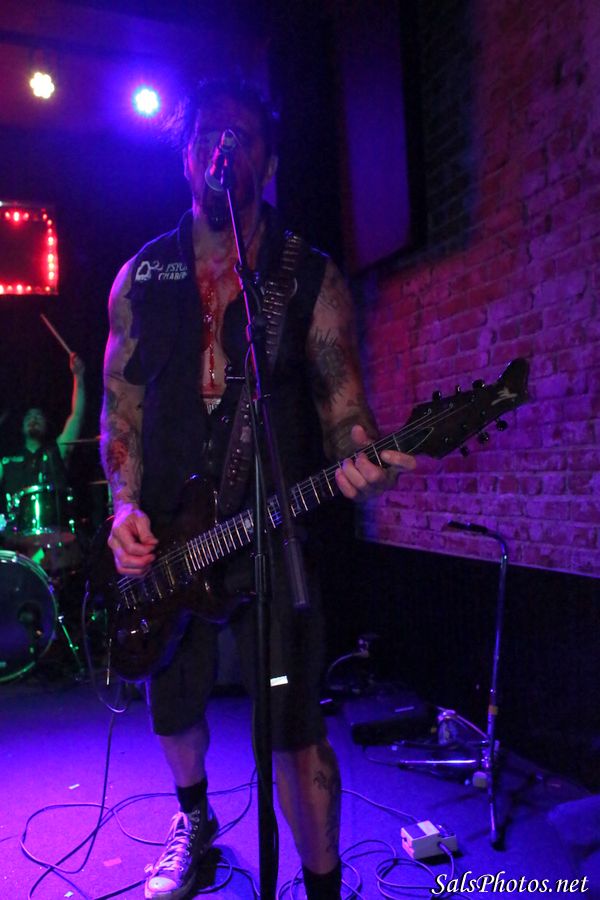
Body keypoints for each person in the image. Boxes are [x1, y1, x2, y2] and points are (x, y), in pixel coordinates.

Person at [100, 78, 415, 900]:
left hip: (273, 535)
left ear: (267, 164)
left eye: (241, 138)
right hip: (171, 536)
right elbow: (120, 408)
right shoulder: (140, 276)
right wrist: (123, 505)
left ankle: (321, 884)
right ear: (185, 155)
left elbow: (347, 413)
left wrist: (364, 456)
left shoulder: (309, 277)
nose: (223, 149)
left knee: (295, 728)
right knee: (172, 702)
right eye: (209, 135)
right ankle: (195, 821)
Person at [0, 352, 86, 511]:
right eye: (29, 416)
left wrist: (78, 377)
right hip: (14, 526)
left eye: (38, 416)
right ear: (21, 427)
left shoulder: (56, 451)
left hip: (55, 523)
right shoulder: (7, 462)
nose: (34, 419)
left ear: (46, 425)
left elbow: (77, 416)